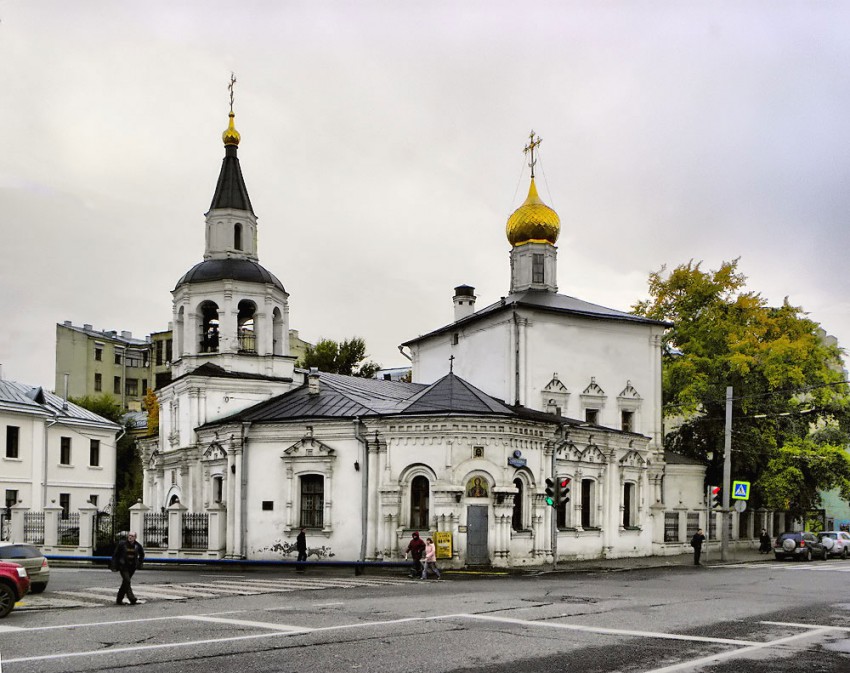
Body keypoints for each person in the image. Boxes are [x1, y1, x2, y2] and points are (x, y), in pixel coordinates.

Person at [112, 531, 145, 605]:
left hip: (132, 567)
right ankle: (132, 599)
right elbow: (116, 554)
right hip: (123, 566)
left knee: (125, 583)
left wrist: (139, 563)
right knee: (127, 581)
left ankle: (119, 599)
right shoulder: (122, 544)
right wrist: (115, 565)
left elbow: (142, 554)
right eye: (129, 535)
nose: (130, 537)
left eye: (132, 536)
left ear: (135, 538)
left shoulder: (137, 545)